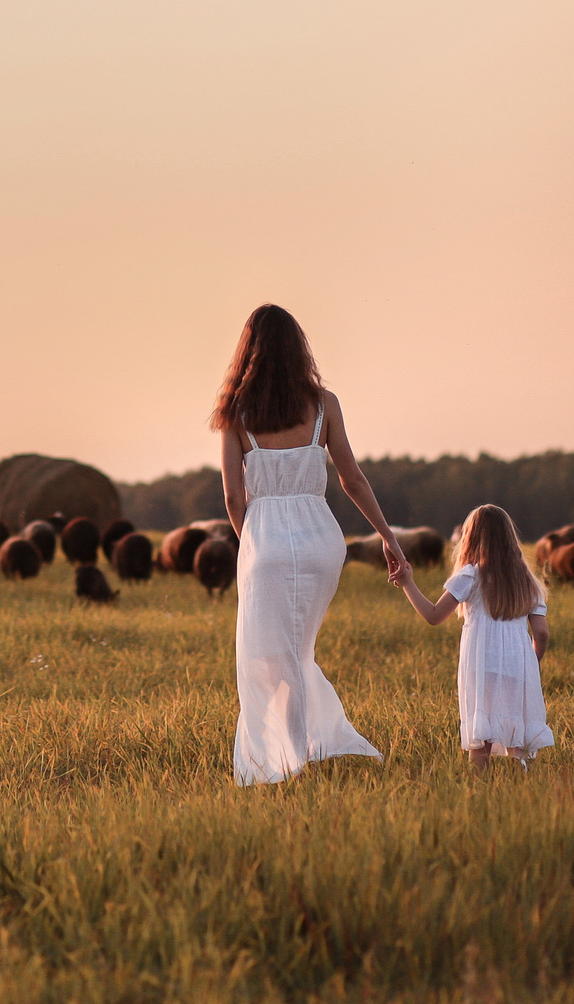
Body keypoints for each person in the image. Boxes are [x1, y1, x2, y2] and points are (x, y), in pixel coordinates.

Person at [216, 303, 410, 785]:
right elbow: (353, 479)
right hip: (322, 541)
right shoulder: (325, 404)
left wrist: (254, 548)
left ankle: (280, 762)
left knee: (264, 657)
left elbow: (232, 497)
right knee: (297, 652)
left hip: (266, 543)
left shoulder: (235, 413)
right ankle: (309, 746)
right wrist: (389, 538)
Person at [391, 503, 555, 770]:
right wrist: (531, 662)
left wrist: (408, 582)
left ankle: (480, 790)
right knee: (516, 730)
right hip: (519, 665)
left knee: (482, 737)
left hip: (481, 664)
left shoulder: (471, 575)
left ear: (471, 538)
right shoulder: (528, 581)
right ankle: (522, 786)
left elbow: (433, 616)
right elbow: (542, 633)